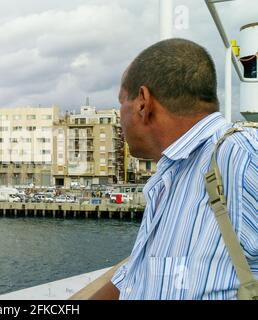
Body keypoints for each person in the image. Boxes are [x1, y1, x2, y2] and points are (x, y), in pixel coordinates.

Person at [90, 38, 257, 300]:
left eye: (121, 102)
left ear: (143, 103)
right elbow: (137, 277)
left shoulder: (243, 156)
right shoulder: (173, 174)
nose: (119, 116)